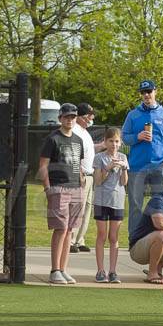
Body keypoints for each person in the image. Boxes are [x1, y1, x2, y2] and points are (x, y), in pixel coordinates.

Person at [121, 80, 163, 234]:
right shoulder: (133, 115)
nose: (146, 95)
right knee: (135, 205)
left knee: (160, 204)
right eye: (143, 92)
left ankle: (159, 236)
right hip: (137, 167)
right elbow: (125, 137)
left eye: (149, 91)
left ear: (156, 91)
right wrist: (137, 136)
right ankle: (134, 239)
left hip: (159, 166)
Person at [38, 103, 85, 285]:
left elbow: (79, 167)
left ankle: (63, 269)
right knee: (61, 228)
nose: (70, 120)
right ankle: (55, 269)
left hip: (76, 188)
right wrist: (48, 189)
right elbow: (43, 166)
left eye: (73, 117)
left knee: (70, 231)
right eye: (67, 117)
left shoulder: (78, 140)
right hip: (58, 187)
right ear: (60, 118)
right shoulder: (53, 139)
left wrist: (81, 185)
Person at [92, 125, 128, 283]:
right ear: (105, 142)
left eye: (117, 141)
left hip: (117, 200)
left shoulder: (123, 157)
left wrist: (124, 169)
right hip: (101, 199)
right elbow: (98, 181)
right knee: (102, 235)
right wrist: (108, 168)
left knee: (114, 236)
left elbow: (124, 182)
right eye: (111, 141)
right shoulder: (99, 158)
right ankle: (100, 270)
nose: (114, 144)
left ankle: (113, 271)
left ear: (120, 143)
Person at [69, 102, 97, 254]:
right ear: (78, 116)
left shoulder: (85, 132)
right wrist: (78, 172)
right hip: (81, 175)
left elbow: (89, 152)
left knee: (87, 209)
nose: (90, 120)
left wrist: (104, 145)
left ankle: (80, 240)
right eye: (87, 117)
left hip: (90, 175)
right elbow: (74, 154)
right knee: (77, 208)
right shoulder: (75, 130)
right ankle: (71, 240)